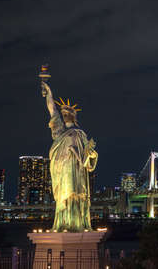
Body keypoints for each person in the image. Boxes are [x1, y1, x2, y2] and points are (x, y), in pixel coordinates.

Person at [41, 81, 98, 232]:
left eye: (68, 114)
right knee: (63, 196)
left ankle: (75, 223)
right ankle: (63, 223)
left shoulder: (80, 134)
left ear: (73, 117)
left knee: (75, 194)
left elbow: (88, 154)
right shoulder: (59, 130)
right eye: (64, 114)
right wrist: (49, 92)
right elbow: (52, 109)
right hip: (61, 169)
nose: (65, 116)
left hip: (76, 168)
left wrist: (91, 154)